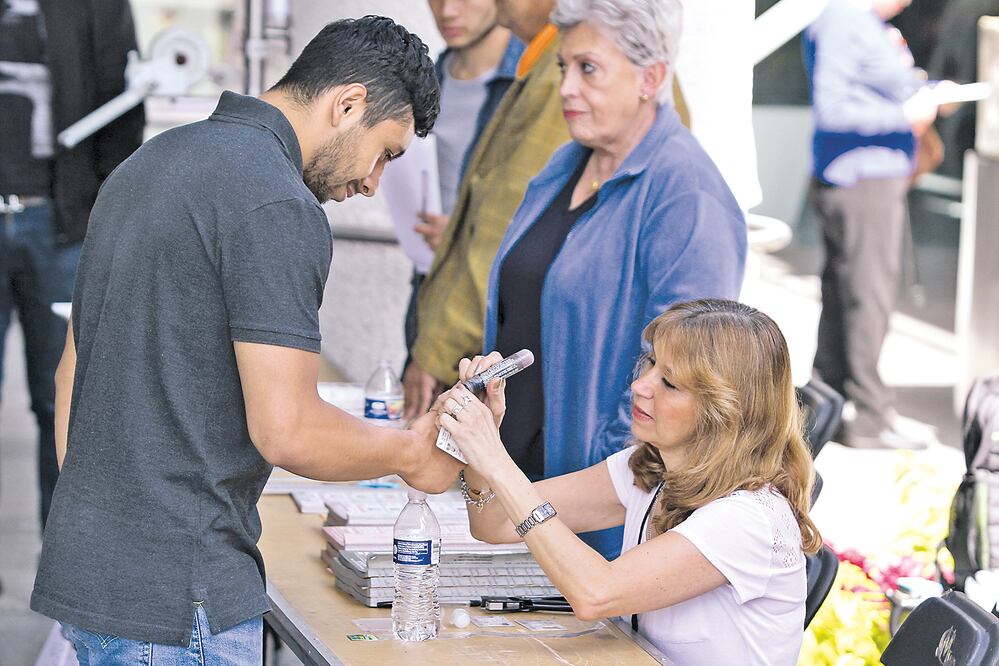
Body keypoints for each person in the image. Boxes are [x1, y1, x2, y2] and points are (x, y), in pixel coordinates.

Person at [31, 16, 461, 663]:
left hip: (95, 582)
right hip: (179, 604)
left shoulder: (145, 165)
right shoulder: (277, 202)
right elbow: (287, 430)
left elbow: (72, 377)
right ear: (347, 104)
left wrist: (115, 524)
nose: (374, 183)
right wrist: (408, 454)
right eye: (386, 153)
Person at [483, 0, 746, 557]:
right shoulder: (566, 164)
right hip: (520, 498)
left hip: (593, 524)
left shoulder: (686, 197)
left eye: (589, 69)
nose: (566, 89)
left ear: (650, 78)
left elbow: (687, 386)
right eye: (563, 68)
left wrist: (589, 490)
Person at [439, 299, 822, 665]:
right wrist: (483, 448)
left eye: (669, 383)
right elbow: (495, 523)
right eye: (651, 363)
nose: (641, 386)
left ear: (724, 411)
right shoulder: (650, 468)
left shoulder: (747, 517)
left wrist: (496, 459)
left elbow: (595, 593)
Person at [0, 0, 144, 530]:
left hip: (60, 225)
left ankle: (61, 573)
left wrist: (99, 213)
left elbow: (125, 107)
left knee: (62, 399)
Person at [403, 0, 571, 418]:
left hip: (484, 321)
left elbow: (500, 227)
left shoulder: (553, 68)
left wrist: (438, 348)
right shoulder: (438, 70)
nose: (449, 10)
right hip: (440, 289)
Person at [804, 0, 951, 450]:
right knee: (868, 296)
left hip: (867, 176)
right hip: (861, 179)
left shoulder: (864, 24)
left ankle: (820, 403)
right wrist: (903, 116)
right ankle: (871, 414)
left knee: (847, 293)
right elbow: (831, 109)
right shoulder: (845, 20)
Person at [400, 0, 524, 361]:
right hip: (429, 279)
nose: (449, 11)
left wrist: (460, 236)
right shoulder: (431, 75)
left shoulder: (531, 81)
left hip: (493, 293)